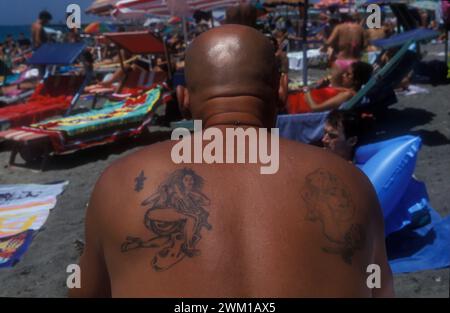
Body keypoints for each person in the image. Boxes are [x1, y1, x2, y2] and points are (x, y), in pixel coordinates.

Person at [70, 25, 393, 298]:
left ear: (184, 102)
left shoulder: (118, 183)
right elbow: (380, 290)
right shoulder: (352, 183)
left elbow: (85, 292)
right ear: (281, 90)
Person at [287, 61, 373, 113]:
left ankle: (274, 142)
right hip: (293, 100)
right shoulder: (346, 90)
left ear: (356, 81)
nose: (343, 75)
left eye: (348, 74)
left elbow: (315, 108)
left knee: (281, 81)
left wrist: (307, 90)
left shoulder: (348, 94)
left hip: (293, 107)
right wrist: (320, 87)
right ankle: (273, 141)